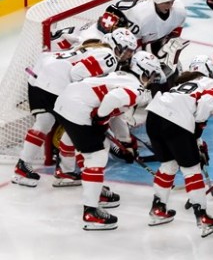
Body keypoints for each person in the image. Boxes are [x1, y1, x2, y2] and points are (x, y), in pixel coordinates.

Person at [12, 28, 137, 188]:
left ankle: (22, 166)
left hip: (39, 74)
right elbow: (77, 73)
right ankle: (65, 171)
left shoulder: (96, 46)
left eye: (131, 51)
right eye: (126, 50)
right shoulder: (109, 57)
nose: (128, 55)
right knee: (74, 127)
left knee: (44, 123)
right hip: (55, 83)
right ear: (117, 46)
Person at [52, 50, 160, 230]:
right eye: (152, 75)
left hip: (64, 102)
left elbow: (117, 116)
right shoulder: (137, 88)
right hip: (79, 109)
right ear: (144, 73)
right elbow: (113, 98)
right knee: (98, 154)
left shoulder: (119, 75)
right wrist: (101, 117)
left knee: (89, 144)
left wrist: (125, 141)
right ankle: (91, 211)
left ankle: (79, 180)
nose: (152, 79)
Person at [145, 54, 213, 237]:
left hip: (154, 117)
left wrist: (195, 138)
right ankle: (202, 216)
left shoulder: (179, 85)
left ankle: (158, 209)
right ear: (209, 71)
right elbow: (205, 105)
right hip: (176, 121)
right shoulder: (211, 84)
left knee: (168, 165)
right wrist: (198, 129)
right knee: (192, 170)